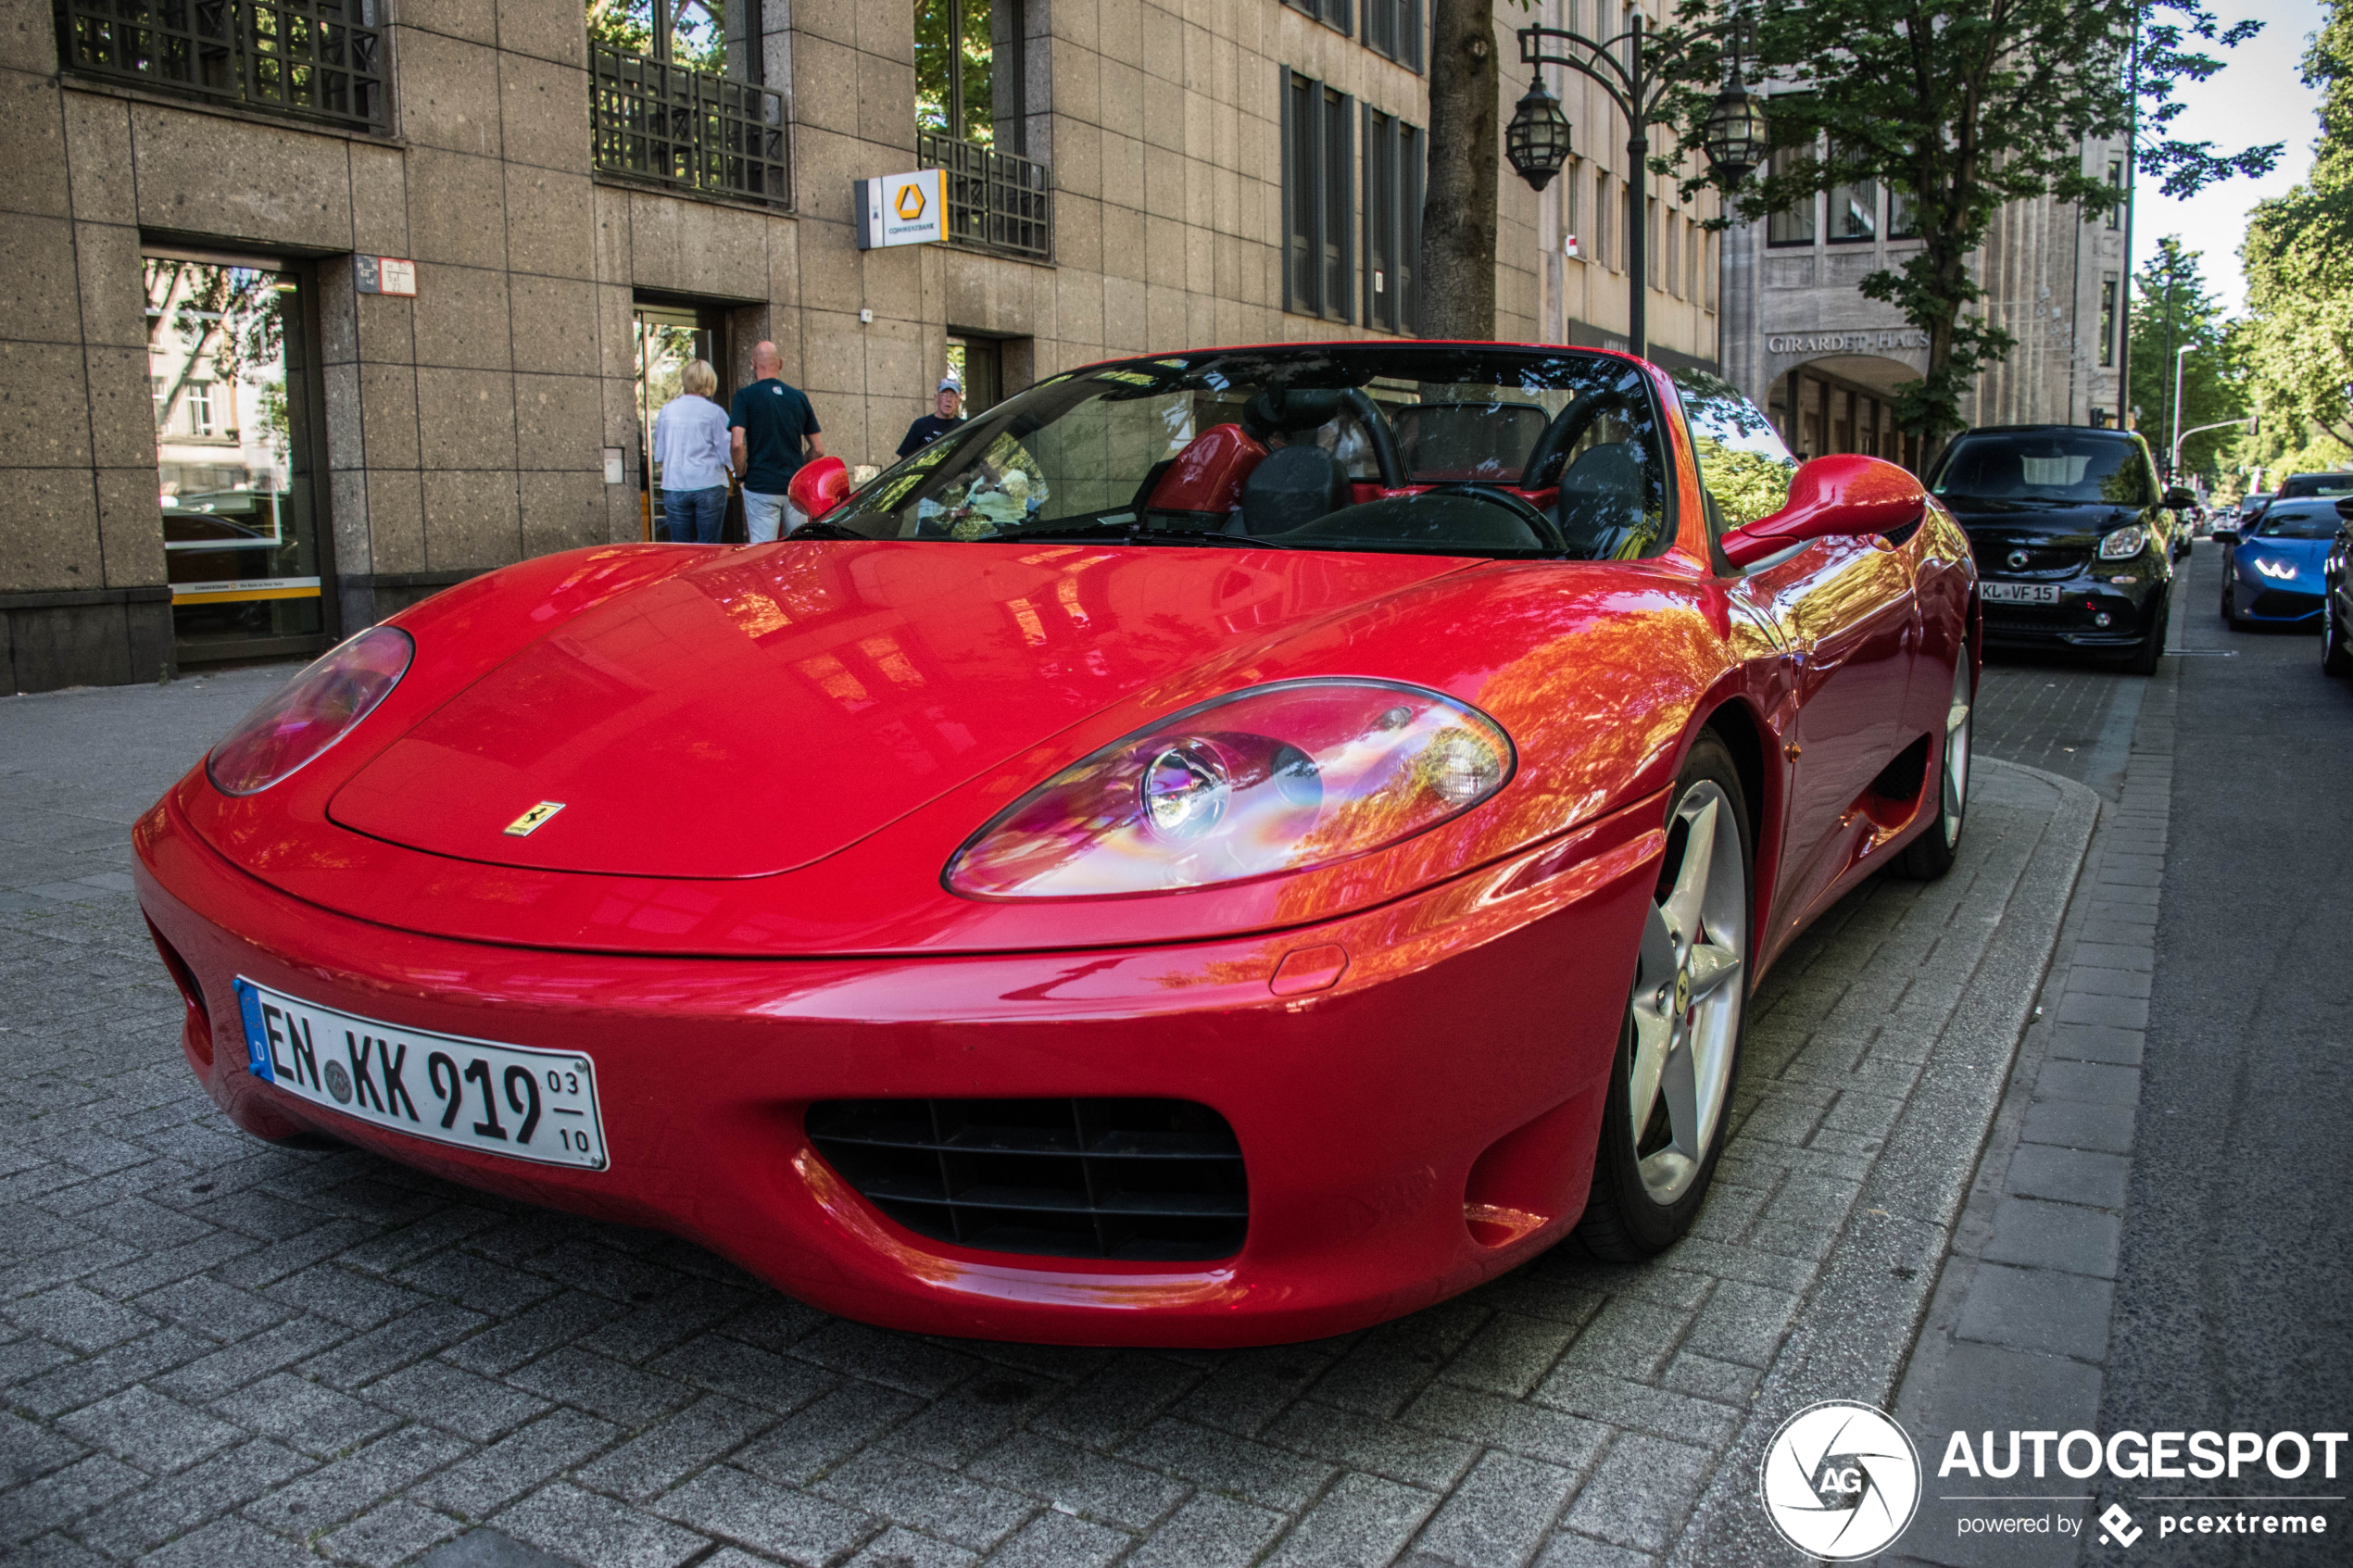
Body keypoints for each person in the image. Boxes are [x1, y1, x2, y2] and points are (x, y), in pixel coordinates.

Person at [729, 341, 824, 542]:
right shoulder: (799, 398)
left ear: (753, 364)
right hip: (794, 489)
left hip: (760, 486)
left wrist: (741, 476)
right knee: (798, 552)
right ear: (780, 364)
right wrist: (799, 470)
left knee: (763, 553)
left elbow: (737, 443)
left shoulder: (744, 396)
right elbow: (817, 449)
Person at [650, 359, 732, 544]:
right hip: (709, 482)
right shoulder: (715, 412)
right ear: (710, 381)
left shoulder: (667, 410)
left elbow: (660, 453)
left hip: (675, 484)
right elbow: (727, 452)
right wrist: (737, 473)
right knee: (709, 548)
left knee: (681, 548)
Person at [897, 376, 966, 458]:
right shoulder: (920, 425)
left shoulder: (964, 427)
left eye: (953, 395)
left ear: (959, 401)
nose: (949, 399)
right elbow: (905, 461)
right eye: (944, 395)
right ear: (936, 398)